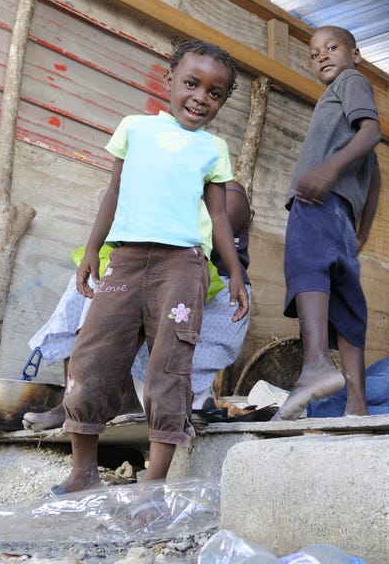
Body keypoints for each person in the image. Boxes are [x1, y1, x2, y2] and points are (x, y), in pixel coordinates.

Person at [50, 38, 250, 496]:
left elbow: (219, 216)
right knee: (94, 356)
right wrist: (92, 252)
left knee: (170, 366)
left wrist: (235, 273)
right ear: (170, 80)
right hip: (125, 261)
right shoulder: (134, 129)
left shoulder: (213, 148)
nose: (201, 97)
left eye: (215, 93)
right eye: (191, 84)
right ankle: (83, 472)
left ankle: (153, 484)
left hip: (182, 267)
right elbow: (113, 194)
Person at [22, 181, 253, 430]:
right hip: (165, 270)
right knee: (94, 284)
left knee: (133, 297)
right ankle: (75, 399)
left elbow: (199, 243)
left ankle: (121, 401)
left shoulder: (231, 194)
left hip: (215, 295)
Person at [274, 25, 382, 421]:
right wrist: (362, 231)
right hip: (343, 216)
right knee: (349, 306)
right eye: (314, 52)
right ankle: (357, 405)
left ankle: (317, 363)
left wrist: (327, 170)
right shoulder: (345, 104)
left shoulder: (351, 81)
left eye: (332, 47)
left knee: (307, 268)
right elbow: (377, 173)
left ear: (356, 54)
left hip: (317, 201)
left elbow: (373, 133)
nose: (321, 55)